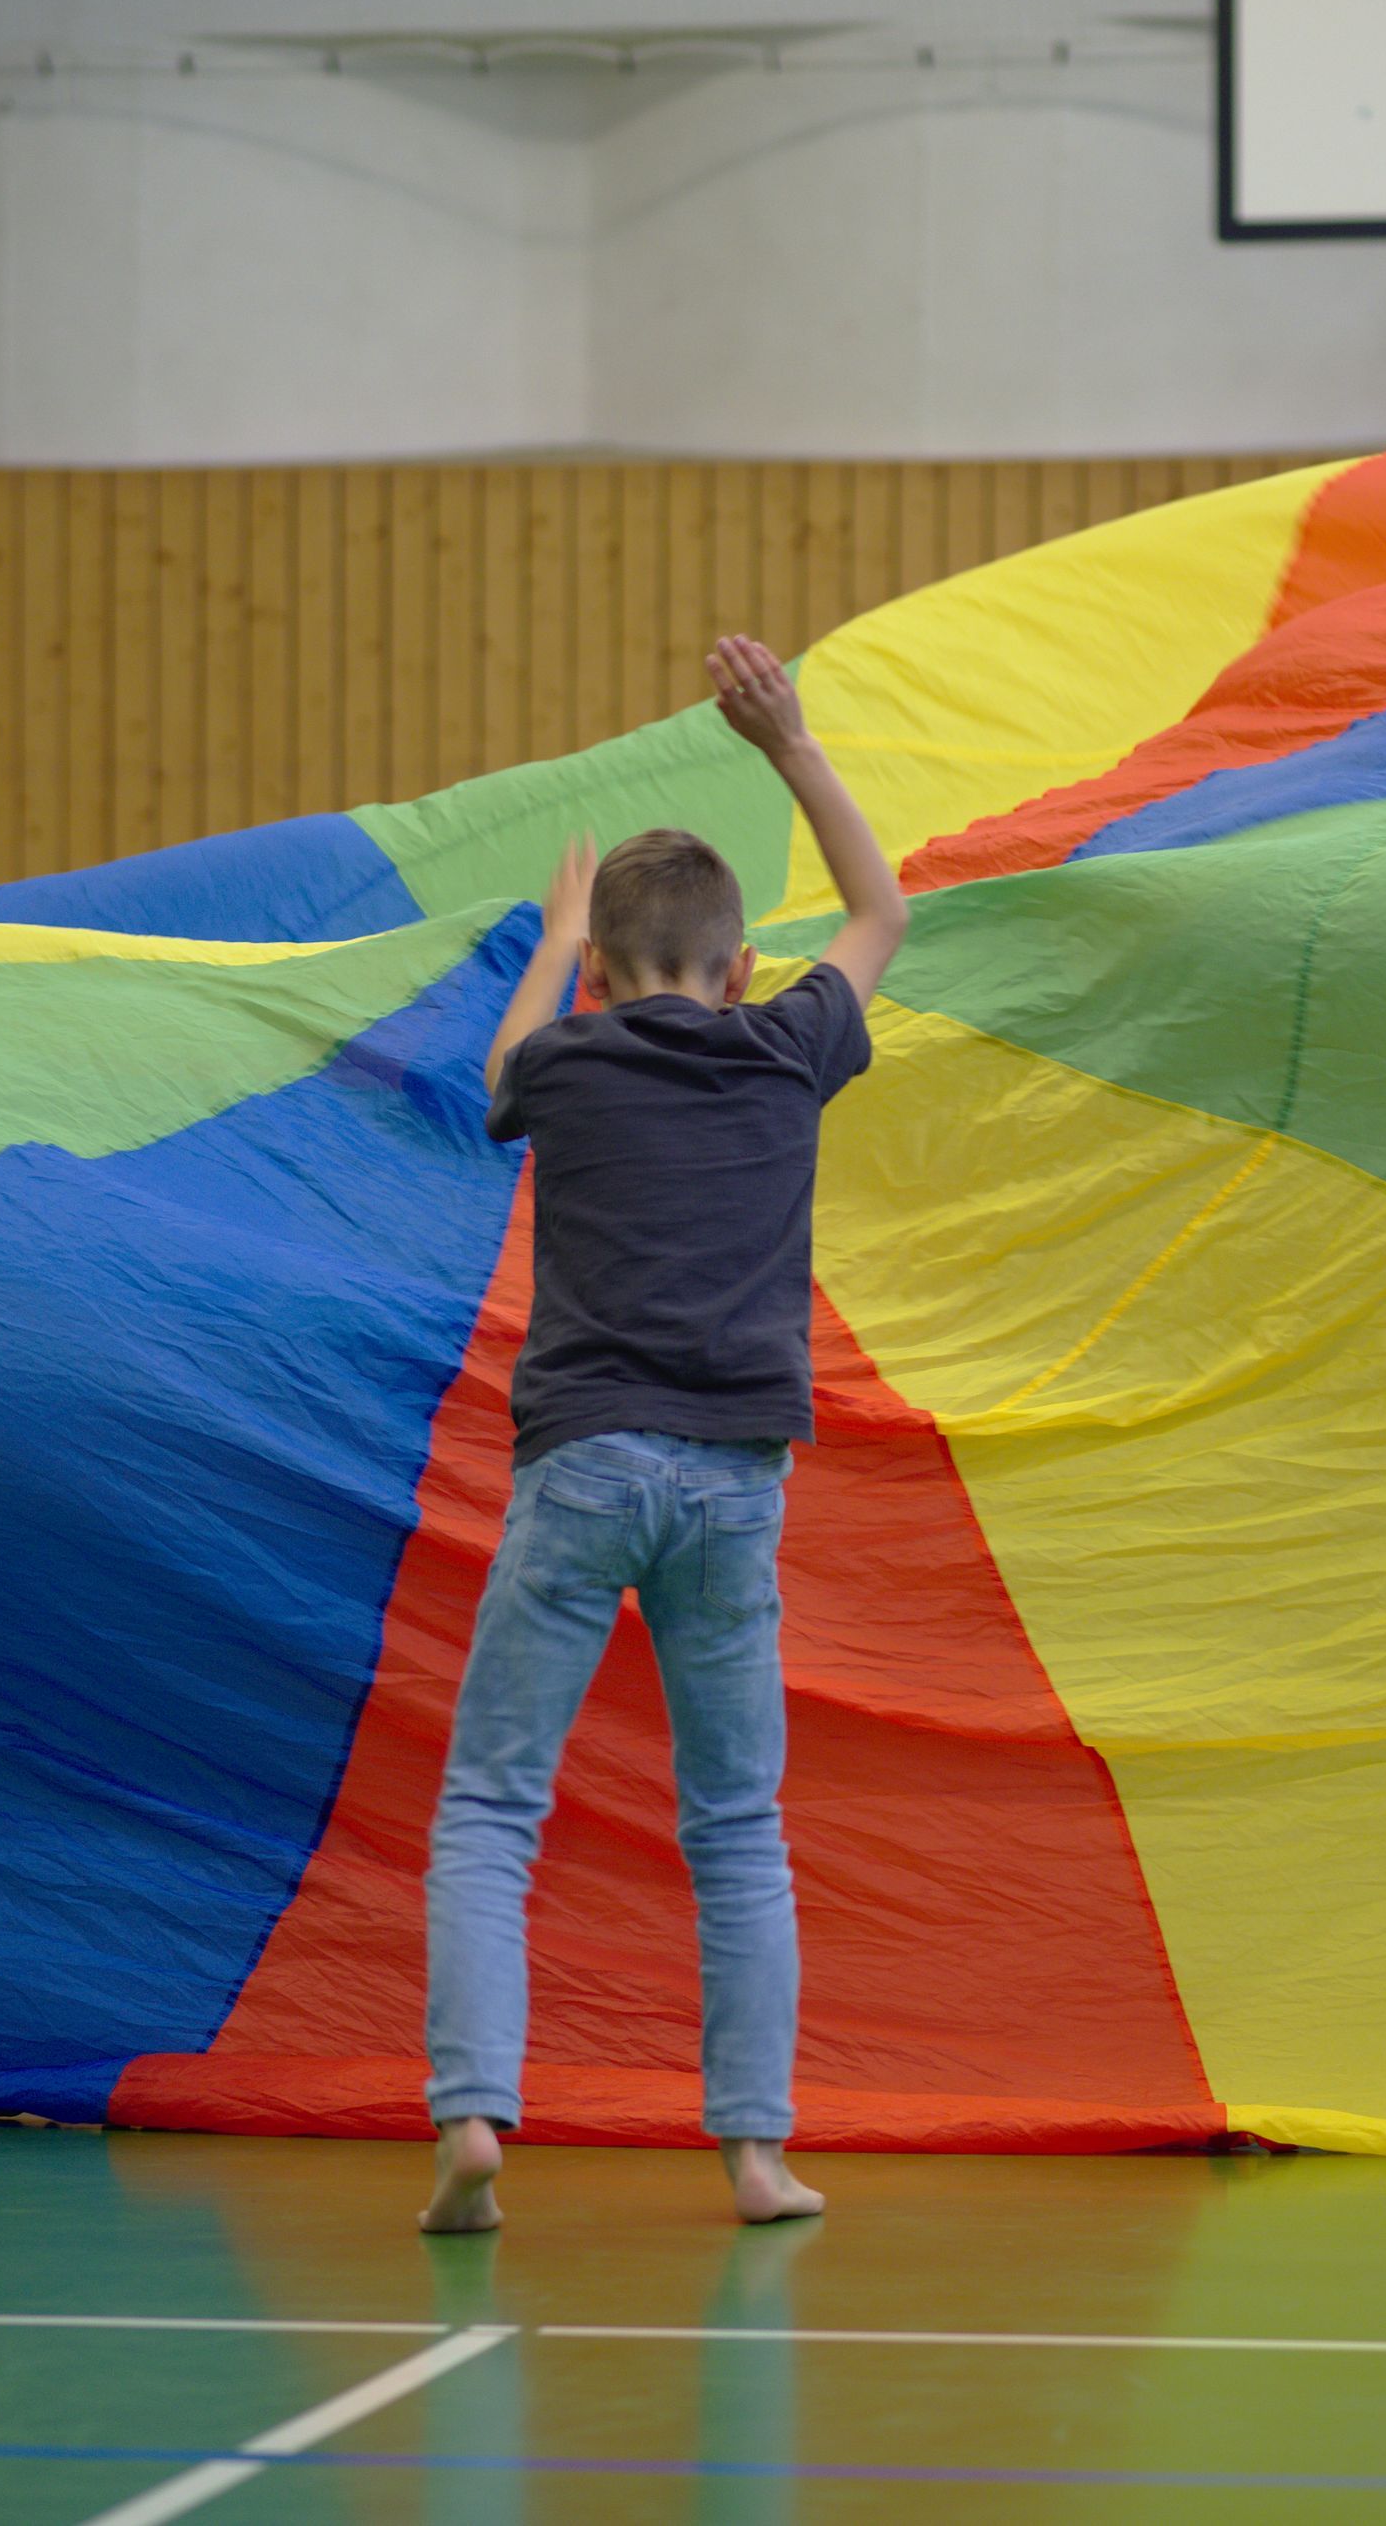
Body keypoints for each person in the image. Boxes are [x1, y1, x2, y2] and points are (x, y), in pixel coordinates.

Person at [419, 635, 909, 2234]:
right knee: (738, 1826)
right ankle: (757, 2155)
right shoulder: (787, 1049)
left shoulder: (565, 1059)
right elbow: (883, 912)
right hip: (731, 1489)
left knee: (494, 1807)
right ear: (741, 967)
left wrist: (556, 939)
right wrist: (789, 744)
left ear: (603, 977)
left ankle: (474, 2121)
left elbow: (497, 1072)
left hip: (580, 1470)